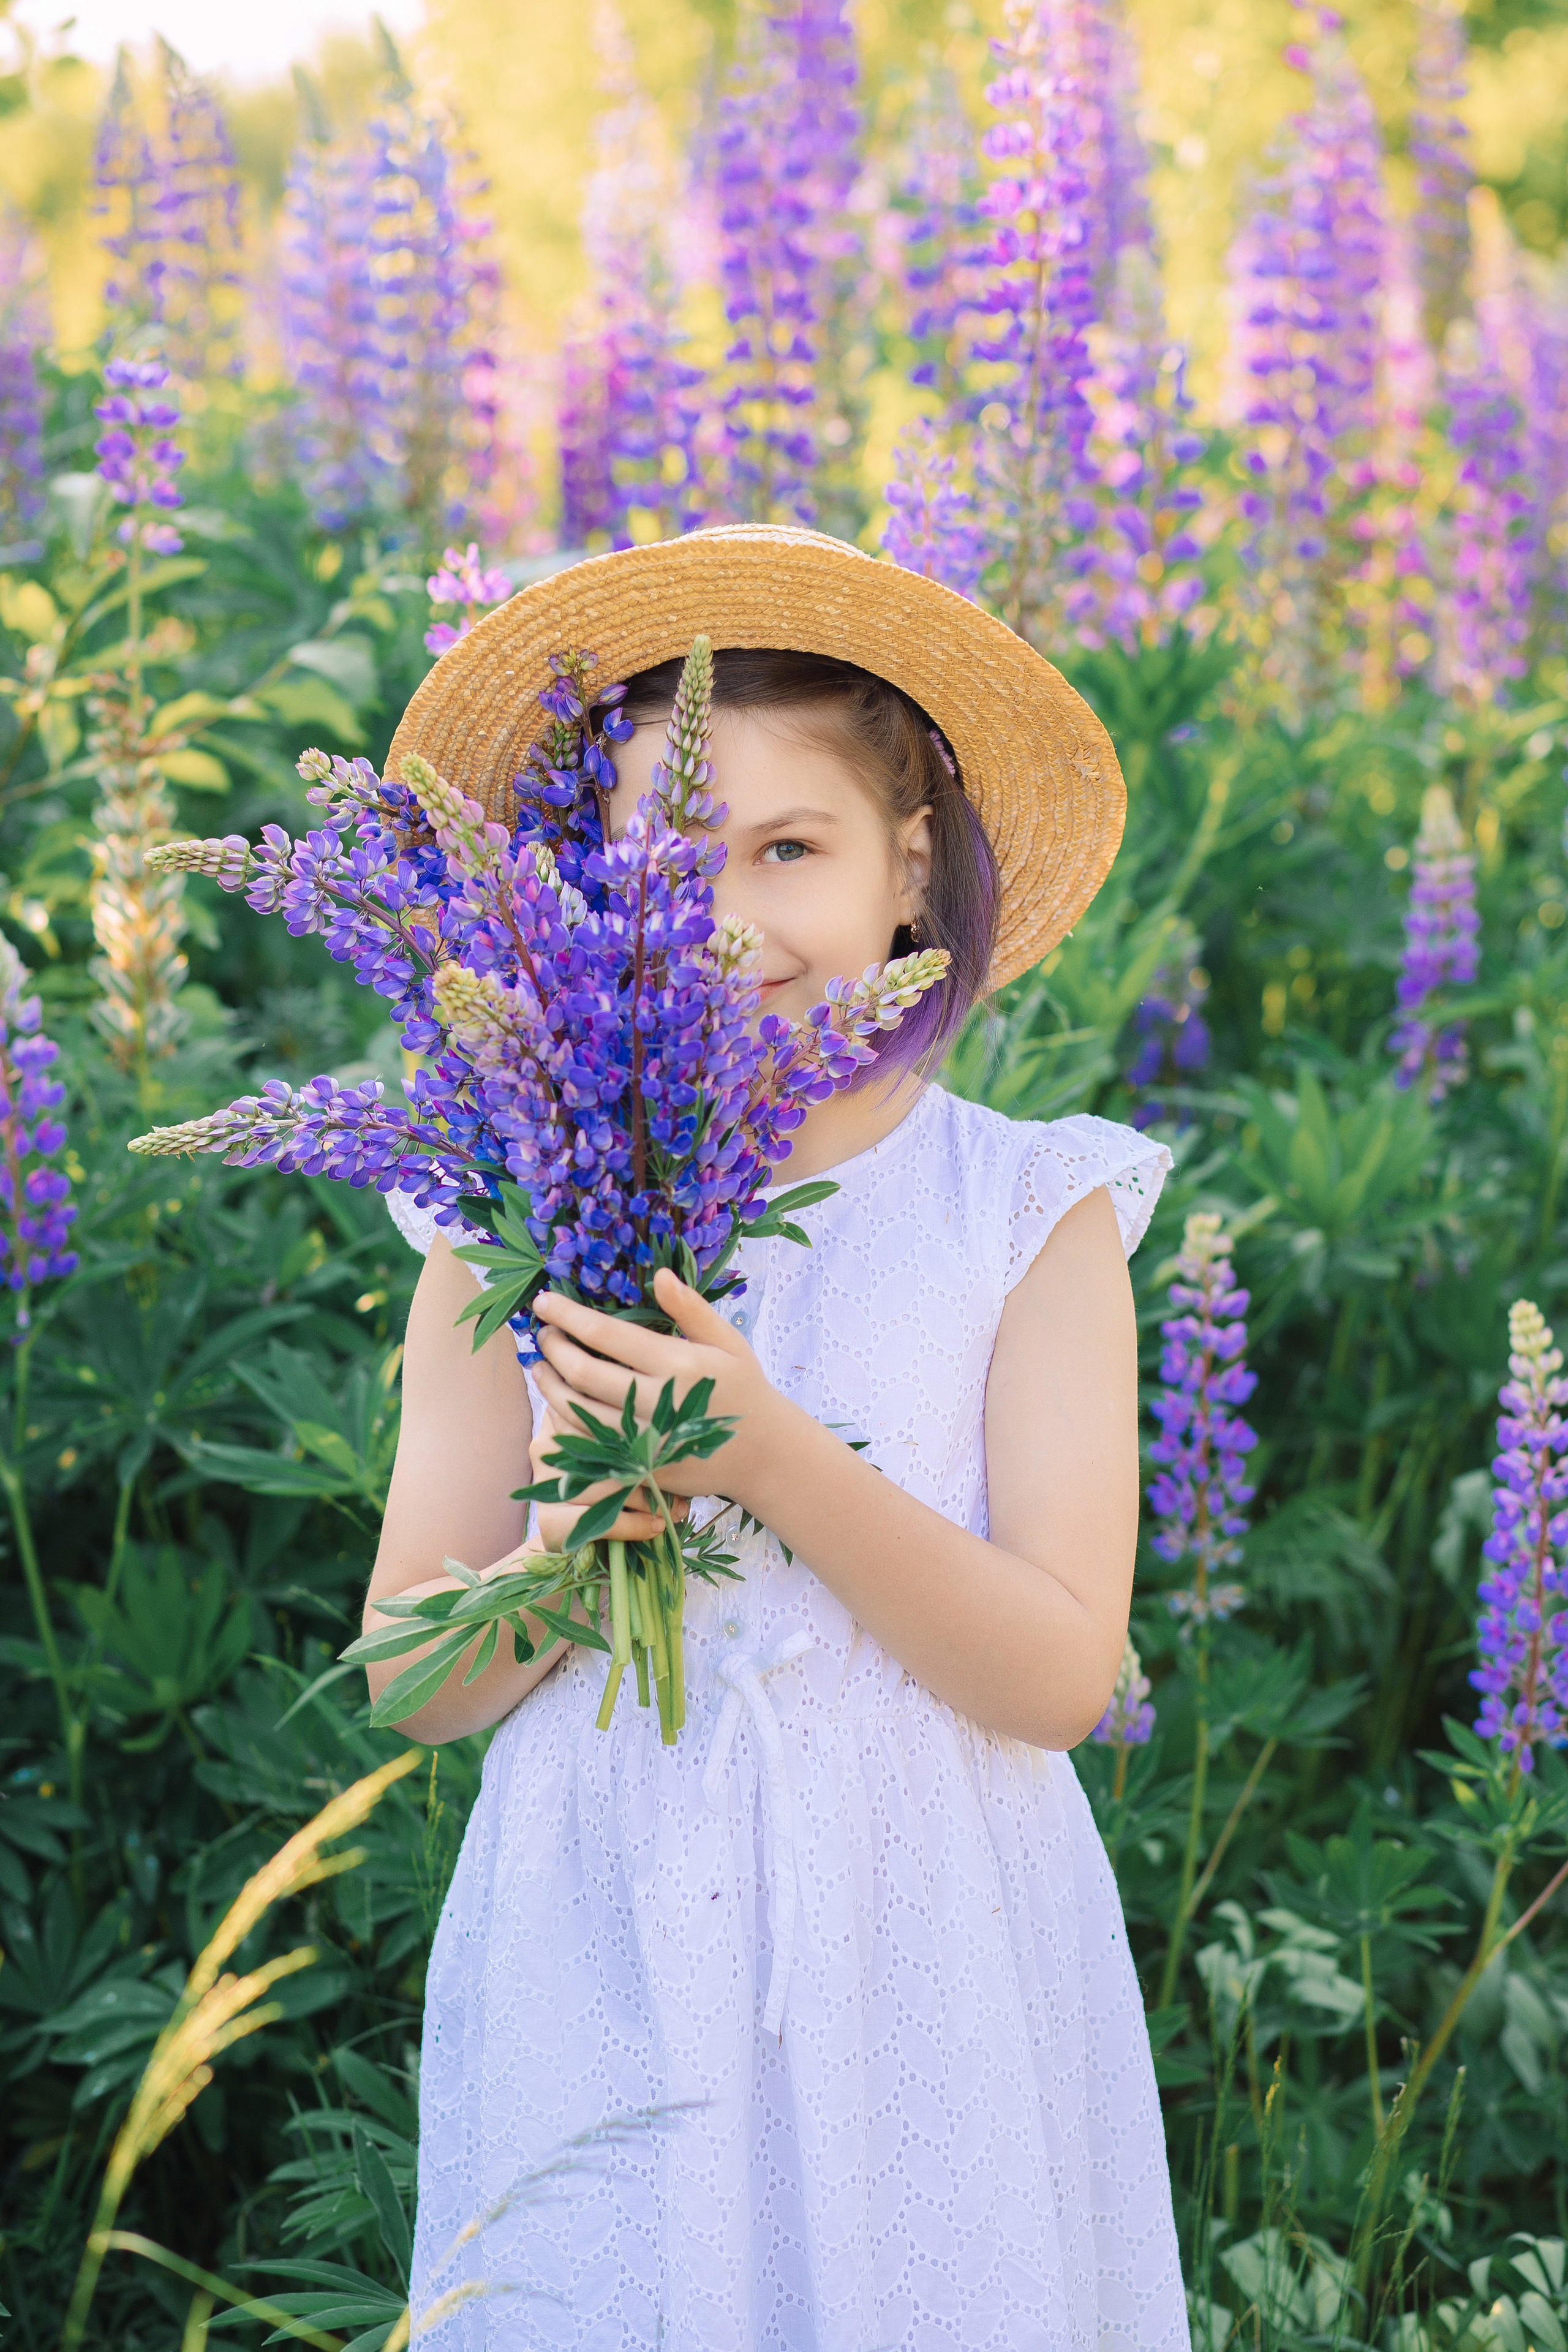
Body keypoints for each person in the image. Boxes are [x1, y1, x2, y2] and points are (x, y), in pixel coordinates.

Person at [368, 527, 1186, 2348]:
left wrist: (760, 1453)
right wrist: (594, 1519)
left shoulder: (1021, 1209)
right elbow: (410, 1680)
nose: (719, 922)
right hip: (607, 1948)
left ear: (912, 870)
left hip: (929, 1955)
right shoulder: (506, 1210)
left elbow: (1060, 1674)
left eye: (787, 850)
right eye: (658, 869)